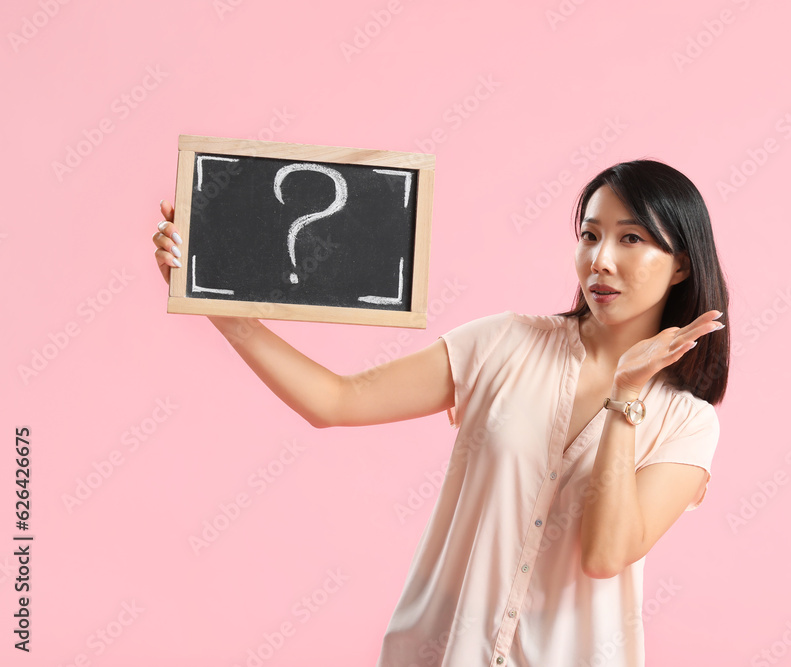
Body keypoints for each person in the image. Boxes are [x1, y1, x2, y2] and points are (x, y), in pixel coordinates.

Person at [151, 158, 730, 666]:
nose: (600, 260)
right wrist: (219, 306)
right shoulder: (505, 344)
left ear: (680, 264)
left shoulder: (688, 423)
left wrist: (626, 394)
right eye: (589, 235)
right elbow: (335, 401)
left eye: (631, 239)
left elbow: (605, 555)